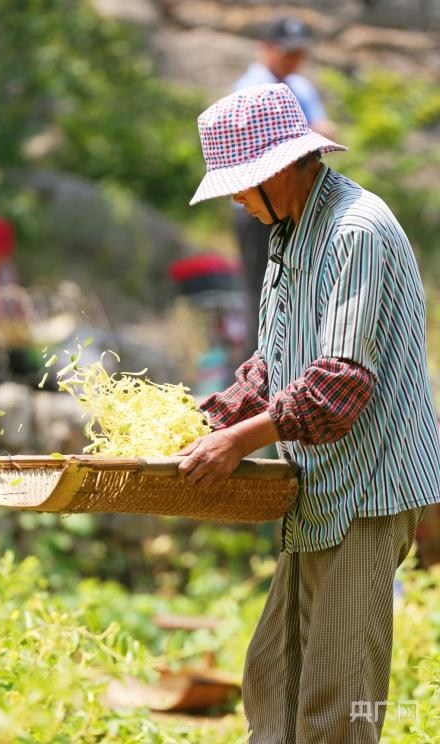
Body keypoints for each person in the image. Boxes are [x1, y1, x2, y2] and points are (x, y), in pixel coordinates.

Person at [179, 83, 440, 742]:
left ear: (279, 169)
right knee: (273, 676)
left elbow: (338, 385)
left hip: (369, 490)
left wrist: (239, 444)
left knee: (337, 701)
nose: (237, 198)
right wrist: (215, 419)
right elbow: (274, 361)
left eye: (241, 184)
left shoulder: (356, 231)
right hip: (321, 484)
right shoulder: (290, 229)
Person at [232, 17, 336, 357]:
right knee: (260, 288)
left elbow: (321, 129)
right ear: (266, 47)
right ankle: (256, 365)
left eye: (299, 53)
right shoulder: (250, 87)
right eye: (287, 52)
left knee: (293, 289)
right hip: (259, 204)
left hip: (292, 202)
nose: (293, 60)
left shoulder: (301, 87)